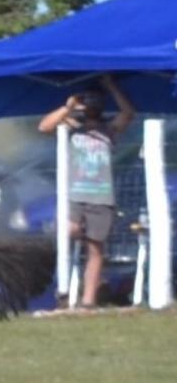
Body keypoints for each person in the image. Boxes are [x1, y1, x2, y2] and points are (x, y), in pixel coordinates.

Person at [38, 74, 135, 308]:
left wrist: (111, 86)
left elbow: (128, 114)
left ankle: (88, 300)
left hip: (101, 195)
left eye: (95, 101)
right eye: (88, 100)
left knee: (95, 249)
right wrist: (68, 107)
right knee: (68, 233)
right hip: (75, 194)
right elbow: (44, 127)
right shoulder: (72, 127)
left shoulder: (108, 129)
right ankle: (64, 288)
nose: (92, 105)